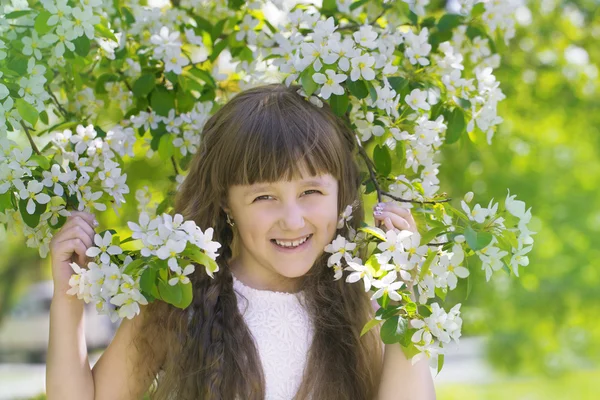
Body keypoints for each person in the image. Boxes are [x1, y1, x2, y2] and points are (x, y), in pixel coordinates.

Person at [46, 83, 436, 400]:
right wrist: (68, 301)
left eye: (311, 192)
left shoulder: (361, 306)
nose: (292, 219)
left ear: (341, 196)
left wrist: (404, 295)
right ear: (226, 203)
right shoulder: (180, 300)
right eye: (263, 197)